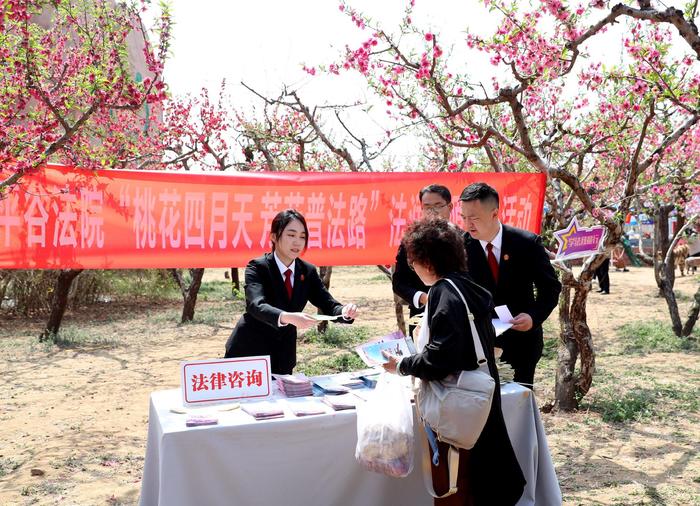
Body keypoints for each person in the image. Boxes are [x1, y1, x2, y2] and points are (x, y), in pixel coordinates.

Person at [383, 218, 525, 506]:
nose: (414, 268)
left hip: (460, 400)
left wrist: (402, 365)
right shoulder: (466, 285)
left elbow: (441, 358)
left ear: (426, 260)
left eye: (413, 262)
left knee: (461, 480)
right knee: (487, 472)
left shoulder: (443, 293)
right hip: (482, 393)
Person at [224, 209, 358, 374]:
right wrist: (289, 317)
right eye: (291, 235)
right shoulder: (258, 267)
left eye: (302, 237)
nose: (297, 242)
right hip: (249, 353)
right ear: (274, 237)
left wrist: (344, 311)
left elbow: (327, 303)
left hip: (283, 356)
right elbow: (256, 305)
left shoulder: (307, 271)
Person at [460, 183, 561, 388]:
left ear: (494, 213)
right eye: (463, 217)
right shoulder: (459, 247)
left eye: (474, 217)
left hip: (521, 341)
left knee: (518, 404)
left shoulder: (527, 243)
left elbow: (550, 288)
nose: (468, 224)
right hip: (478, 344)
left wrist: (533, 317)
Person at [392, 184, 453, 336]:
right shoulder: (411, 241)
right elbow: (399, 283)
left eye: (438, 205)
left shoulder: (465, 238)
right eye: (427, 206)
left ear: (450, 206)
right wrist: (422, 298)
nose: (432, 211)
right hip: (421, 317)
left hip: (459, 316)